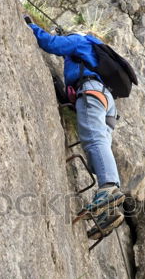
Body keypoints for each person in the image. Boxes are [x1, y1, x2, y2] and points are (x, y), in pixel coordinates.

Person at [24, 16, 125, 239]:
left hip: (92, 91)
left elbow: (51, 44)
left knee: (94, 140)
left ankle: (109, 189)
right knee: (97, 150)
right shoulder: (94, 53)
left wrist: (29, 25)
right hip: (107, 101)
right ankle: (107, 214)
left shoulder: (81, 41)